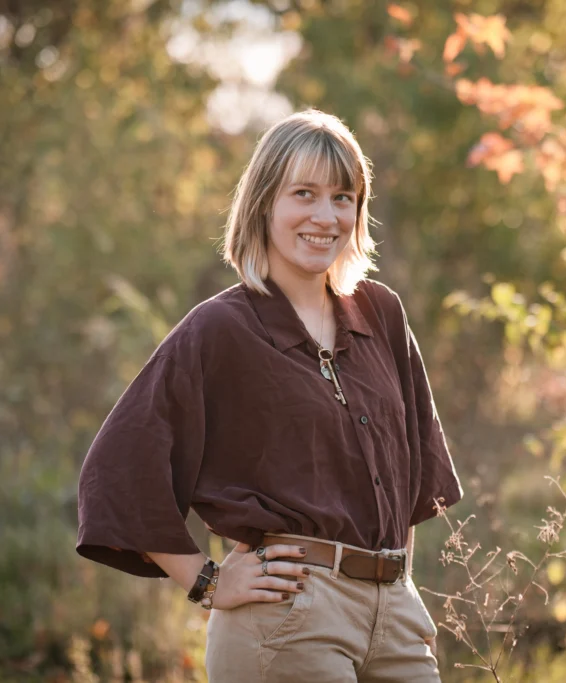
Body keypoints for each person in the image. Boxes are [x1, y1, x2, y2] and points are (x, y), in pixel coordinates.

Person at [76, 109, 463, 682]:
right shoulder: (220, 330)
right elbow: (118, 467)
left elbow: (412, 468)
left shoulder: (380, 313)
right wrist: (206, 580)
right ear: (263, 204)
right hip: (287, 617)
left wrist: (396, 585)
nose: (325, 216)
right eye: (303, 193)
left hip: (396, 616)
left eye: (343, 197)